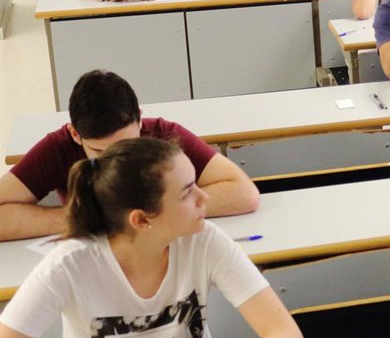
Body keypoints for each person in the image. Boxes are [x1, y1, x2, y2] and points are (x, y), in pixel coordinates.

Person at [0, 136, 303, 338]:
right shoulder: (67, 266)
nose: (204, 197)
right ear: (142, 220)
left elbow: (287, 336)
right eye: (187, 192)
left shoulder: (204, 240)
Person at [0, 70, 259, 241]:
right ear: (75, 134)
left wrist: (157, 211)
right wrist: (86, 218)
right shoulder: (58, 148)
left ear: (140, 121)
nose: (117, 160)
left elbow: (243, 193)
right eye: (100, 152)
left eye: (127, 145)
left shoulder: (162, 134)